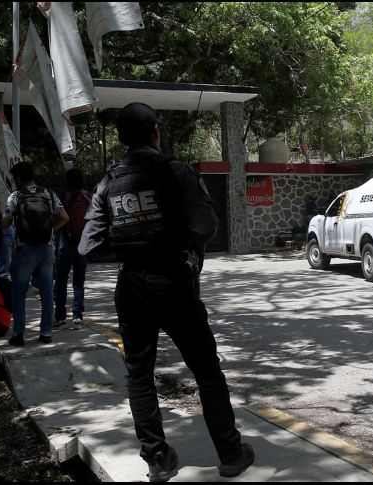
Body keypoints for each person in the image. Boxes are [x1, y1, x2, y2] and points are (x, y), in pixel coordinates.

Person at [78, 102, 254, 482]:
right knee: (206, 370)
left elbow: (88, 247)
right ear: (156, 131)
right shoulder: (176, 172)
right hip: (175, 282)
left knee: (139, 373)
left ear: (122, 139)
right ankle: (230, 453)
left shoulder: (108, 183)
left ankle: (157, 459)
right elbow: (206, 225)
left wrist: (130, 249)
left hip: (132, 286)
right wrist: (172, 245)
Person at [2, 161, 68, 346]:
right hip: (47, 249)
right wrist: (51, 231)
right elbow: (64, 218)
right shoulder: (48, 193)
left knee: (19, 292)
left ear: (18, 178)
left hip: (25, 249)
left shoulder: (15, 196)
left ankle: (18, 334)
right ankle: (46, 333)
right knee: (47, 291)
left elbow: (5, 223)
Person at [54, 168, 91, 329]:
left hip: (65, 243)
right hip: (83, 244)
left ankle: (60, 315)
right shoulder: (87, 196)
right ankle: (77, 316)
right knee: (78, 281)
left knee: (61, 281)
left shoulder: (63, 196)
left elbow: (57, 218)